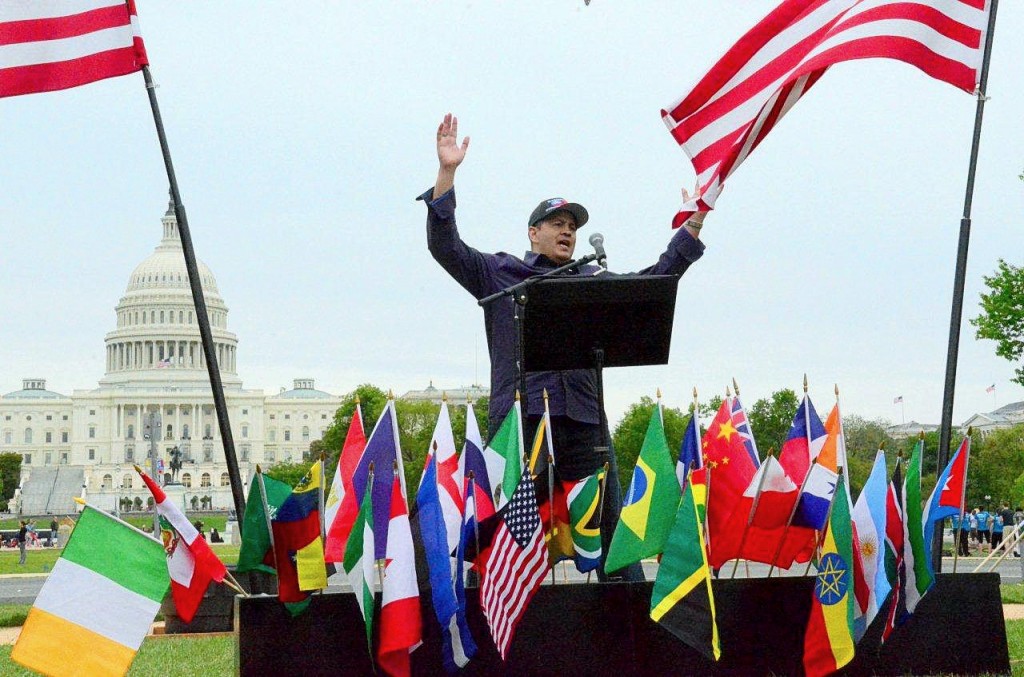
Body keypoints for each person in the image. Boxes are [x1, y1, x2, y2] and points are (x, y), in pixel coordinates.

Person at [420, 113, 706, 581]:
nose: (567, 230)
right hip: (520, 424)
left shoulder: (591, 279)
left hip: (584, 426)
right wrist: (447, 174)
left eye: (572, 224)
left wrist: (691, 226)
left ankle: (627, 628)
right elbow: (446, 247)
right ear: (533, 233)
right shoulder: (501, 274)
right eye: (556, 222)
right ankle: (487, 629)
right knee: (502, 541)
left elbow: (652, 283)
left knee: (614, 541)